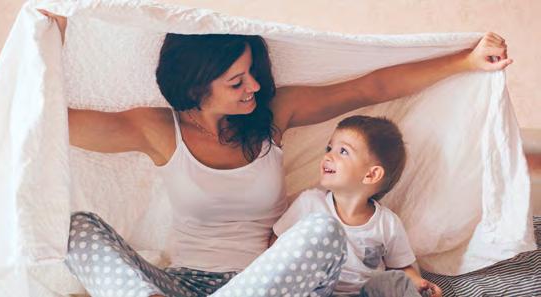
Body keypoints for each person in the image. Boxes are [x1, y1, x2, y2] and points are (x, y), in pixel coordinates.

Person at [39, 10, 510, 297]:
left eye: (253, 72)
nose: (256, 87)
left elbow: (372, 86)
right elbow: (44, 118)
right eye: (237, 82)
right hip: (183, 285)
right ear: (197, 86)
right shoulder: (158, 129)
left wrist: (464, 61)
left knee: (322, 231)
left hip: (269, 283)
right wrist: (48, 33)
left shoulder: (273, 115)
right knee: (75, 227)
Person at [272, 115, 442, 297]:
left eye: (343, 151)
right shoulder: (310, 203)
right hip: (316, 289)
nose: (328, 155)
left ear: (371, 175)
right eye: (329, 148)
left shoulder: (387, 223)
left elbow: (402, 266)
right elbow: (276, 242)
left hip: (365, 293)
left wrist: (418, 283)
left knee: (394, 281)